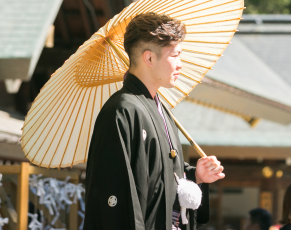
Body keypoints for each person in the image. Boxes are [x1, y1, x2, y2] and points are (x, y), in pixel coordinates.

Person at [85, 13, 226, 230]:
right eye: (175, 55)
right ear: (149, 58)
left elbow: (162, 179)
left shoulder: (160, 110)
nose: (180, 64)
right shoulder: (122, 111)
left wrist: (195, 175)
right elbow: (118, 193)